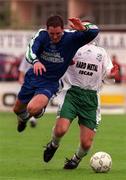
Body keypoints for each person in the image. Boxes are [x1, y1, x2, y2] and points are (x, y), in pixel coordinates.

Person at [13, 15, 99, 133]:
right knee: (17, 110)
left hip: (50, 83)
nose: (54, 36)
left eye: (58, 33)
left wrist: (83, 27)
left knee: (32, 108)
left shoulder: (71, 38)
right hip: (33, 77)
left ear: (63, 29)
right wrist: (36, 61)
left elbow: (95, 31)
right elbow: (30, 51)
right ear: (47, 29)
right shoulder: (42, 35)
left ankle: (39, 111)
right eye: (51, 34)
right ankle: (23, 119)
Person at [43, 42, 119, 169]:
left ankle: (75, 159)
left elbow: (107, 74)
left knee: (86, 143)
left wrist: (111, 74)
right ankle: (53, 145)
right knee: (60, 129)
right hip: (72, 94)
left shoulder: (101, 52)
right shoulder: (72, 46)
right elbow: (59, 64)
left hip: (91, 98)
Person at [18, 57, 37, 127]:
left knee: (33, 102)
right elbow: (22, 69)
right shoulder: (27, 55)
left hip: (39, 82)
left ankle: (30, 118)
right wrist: (21, 80)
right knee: (22, 105)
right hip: (27, 82)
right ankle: (24, 119)